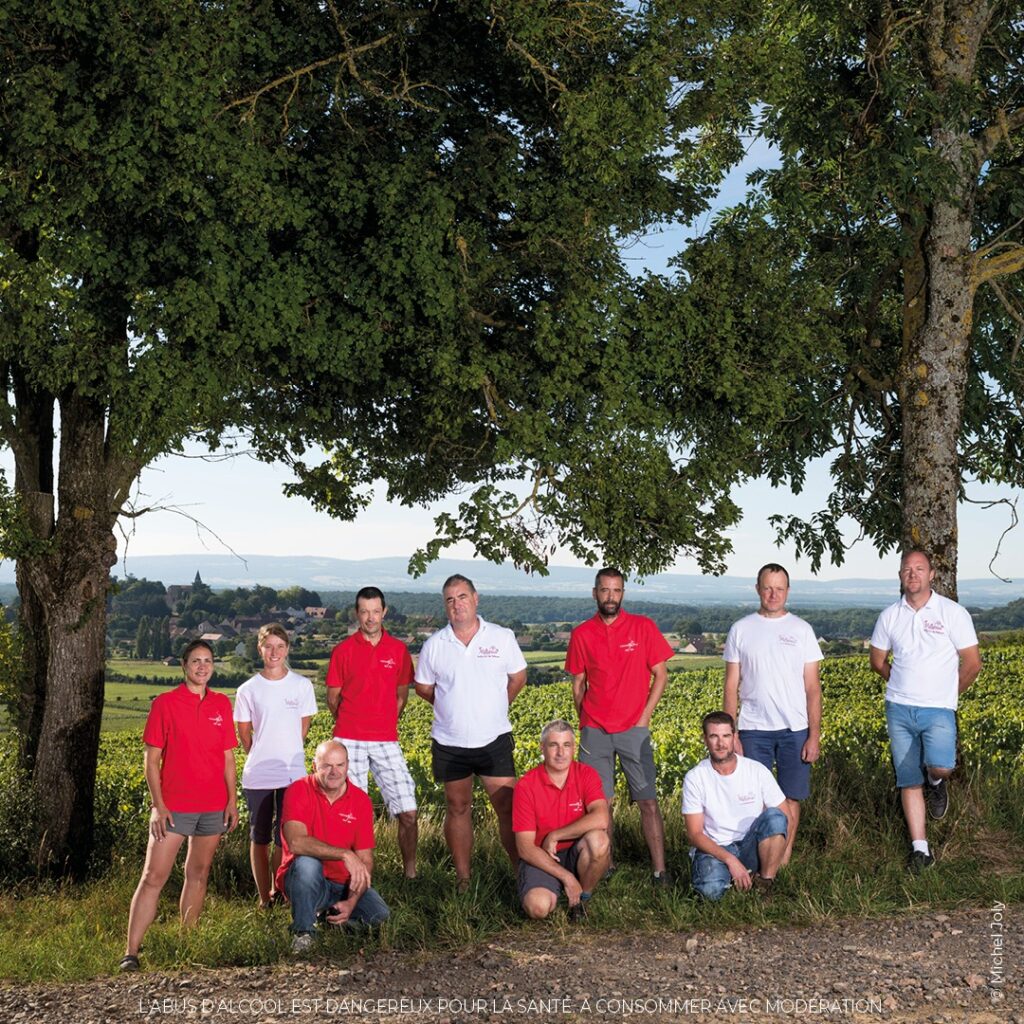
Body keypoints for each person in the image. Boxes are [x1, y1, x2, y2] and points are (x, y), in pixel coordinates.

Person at [121, 639, 238, 971]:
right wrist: (158, 806)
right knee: (153, 876)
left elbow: (228, 758)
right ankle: (131, 952)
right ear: (184, 666)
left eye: (208, 661)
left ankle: (187, 943)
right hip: (175, 807)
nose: (202, 666)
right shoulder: (165, 704)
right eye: (196, 661)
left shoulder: (220, 705)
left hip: (214, 806)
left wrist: (231, 801)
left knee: (198, 873)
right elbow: (151, 761)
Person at [869, 548, 982, 873]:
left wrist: (945, 694)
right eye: (907, 569)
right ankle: (921, 851)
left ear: (932, 575)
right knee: (907, 780)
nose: (913, 574)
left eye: (920, 569)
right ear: (901, 575)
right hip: (899, 709)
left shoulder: (952, 613)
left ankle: (936, 783)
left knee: (942, 766)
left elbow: (973, 664)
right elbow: (877, 661)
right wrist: (900, 683)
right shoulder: (890, 615)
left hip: (938, 709)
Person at [414, 574, 527, 889]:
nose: (456, 604)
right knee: (458, 808)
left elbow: (518, 677)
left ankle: (524, 875)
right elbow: (423, 686)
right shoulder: (435, 644)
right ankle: (464, 880)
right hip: (450, 743)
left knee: (508, 807)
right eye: (449, 599)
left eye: (462, 596)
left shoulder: (501, 637)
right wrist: (449, 706)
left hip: (494, 740)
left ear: (476, 599)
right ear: (444, 606)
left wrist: (497, 704)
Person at [565, 566, 674, 884]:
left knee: (648, 801)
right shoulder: (582, 633)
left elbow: (662, 674)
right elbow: (578, 683)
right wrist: (585, 721)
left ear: (622, 594)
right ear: (595, 592)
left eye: (616, 590)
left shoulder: (642, 627)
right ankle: (606, 866)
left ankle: (660, 871)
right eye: (604, 590)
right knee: (601, 804)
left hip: (633, 730)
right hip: (595, 731)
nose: (610, 596)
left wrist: (644, 718)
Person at [722, 563, 822, 866]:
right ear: (757, 589)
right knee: (756, 799)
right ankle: (757, 859)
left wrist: (814, 735)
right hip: (753, 730)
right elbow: (731, 686)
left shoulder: (802, 630)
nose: (773, 594)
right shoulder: (741, 629)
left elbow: (813, 689)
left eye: (779, 588)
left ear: (787, 591)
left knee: (791, 797)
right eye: (767, 587)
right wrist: (732, 733)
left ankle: (782, 860)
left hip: (795, 730)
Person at [326, 587, 418, 878]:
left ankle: (411, 874)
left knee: (408, 811)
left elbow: (401, 695)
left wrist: (384, 721)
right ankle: (351, 876)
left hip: (385, 739)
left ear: (384, 612)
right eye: (364, 611)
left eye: (375, 611)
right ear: (357, 613)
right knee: (349, 814)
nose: (370, 617)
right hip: (349, 738)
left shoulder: (398, 651)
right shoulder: (343, 650)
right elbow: (333, 698)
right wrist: (351, 723)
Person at [277, 740, 390, 954]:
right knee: (307, 864)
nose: (334, 771)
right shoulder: (298, 790)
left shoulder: (361, 801)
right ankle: (303, 933)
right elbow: (296, 842)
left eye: (340, 765)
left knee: (380, 916)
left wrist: (351, 901)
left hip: (342, 884)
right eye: (327, 765)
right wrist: (345, 854)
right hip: (305, 880)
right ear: (314, 766)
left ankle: (332, 917)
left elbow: (365, 860)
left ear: (347, 765)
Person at [233, 623, 317, 907]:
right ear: (260, 648)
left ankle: (279, 891)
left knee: (286, 839)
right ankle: (263, 898)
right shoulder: (248, 690)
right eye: (268, 646)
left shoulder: (302, 686)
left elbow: (302, 729)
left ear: (287, 649)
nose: (274, 652)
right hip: (258, 775)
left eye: (280, 646)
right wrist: (260, 752)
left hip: (293, 774)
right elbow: (245, 733)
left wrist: (285, 751)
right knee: (260, 837)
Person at [682, 712, 788, 900]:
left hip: (751, 846)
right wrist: (731, 860)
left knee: (775, 817)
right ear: (705, 739)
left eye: (726, 736)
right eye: (714, 736)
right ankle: (738, 878)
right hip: (715, 850)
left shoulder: (756, 770)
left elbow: (785, 816)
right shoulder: (695, 777)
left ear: (735, 737)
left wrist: (780, 858)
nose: (720, 743)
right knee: (711, 892)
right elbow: (695, 834)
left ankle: (764, 883)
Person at [512, 720, 611, 920]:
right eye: (553, 745)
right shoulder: (526, 785)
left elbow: (602, 818)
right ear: (542, 748)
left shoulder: (586, 774)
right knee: (537, 908)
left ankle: (582, 897)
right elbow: (524, 848)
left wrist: (556, 835)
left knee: (599, 841)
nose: (560, 752)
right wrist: (566, 877)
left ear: (574, 748)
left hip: (576, 850)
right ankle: (562, 886)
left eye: (566, 745)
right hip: (542, 856)